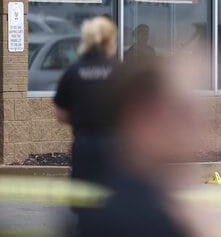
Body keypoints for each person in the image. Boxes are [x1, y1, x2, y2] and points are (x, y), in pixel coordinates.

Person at [76, 59, 211, 237]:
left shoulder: (132, 199)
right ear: (146, 118)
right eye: (184, 113)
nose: (198, 129)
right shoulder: (146, 219)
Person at [54, 16, 118, 186]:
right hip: (116, 147)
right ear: (110, 40)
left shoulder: (73, 72)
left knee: (84, 200)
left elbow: (61, 115)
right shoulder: (121, 72)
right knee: (114, 202)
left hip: (84, 145)